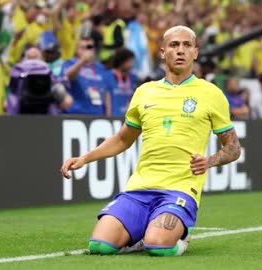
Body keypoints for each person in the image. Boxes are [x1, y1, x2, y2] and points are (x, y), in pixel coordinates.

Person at [60, 25, 241, 256]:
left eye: (187, 45)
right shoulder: (144, 92)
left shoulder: (211, 93)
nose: (181, 50)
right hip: (139, 188)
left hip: (180, 190)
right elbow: (122, 139)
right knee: (99, 246)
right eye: (174, 45)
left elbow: (234, 147)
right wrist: (85, 158)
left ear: (195, 52)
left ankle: (181, 238)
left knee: (158, 247)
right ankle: (140, 234)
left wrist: (209, 161)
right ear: (163, 52)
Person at [61, 37, 110, 115]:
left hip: (97, 114)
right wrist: (82, 60)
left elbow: (106, 92)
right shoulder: (70, 63)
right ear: (77, 50)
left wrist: (108, 115)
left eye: (90, 47)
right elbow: (68, 77)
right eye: (83, 48)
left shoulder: (101, 68)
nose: (87, 50)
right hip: (76, 113)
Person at [104, 48, 138, 117]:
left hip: (128, 119)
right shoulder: (107, 76)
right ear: (122, 61)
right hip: (113, 116)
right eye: (129, 62)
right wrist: (108, 117)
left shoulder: (133, 78)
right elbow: (107, 97)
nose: (131, 65)